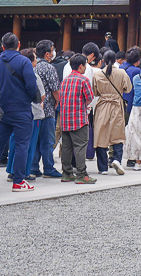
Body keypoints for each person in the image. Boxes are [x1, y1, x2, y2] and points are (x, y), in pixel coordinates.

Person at [0, 32, 38, 192]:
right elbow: (31, 85)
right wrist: (29, 97)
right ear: (19, 44)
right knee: (22, 144)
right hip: (21, 108)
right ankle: (18, 181)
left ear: (2, 47)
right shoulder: (24, 62)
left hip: (3, 109)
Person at [6, 49, 44, 182]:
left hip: (14, 111)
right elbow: (41, 96)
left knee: (14, 142)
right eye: (34, 59)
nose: (36, 61)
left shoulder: (12, 73)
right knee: (29, 144)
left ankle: (11, 170)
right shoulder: (34, 76)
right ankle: (25, 171)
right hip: (32, 113)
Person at [58, 53, 96, 184]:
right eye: (85, 64)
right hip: (79, 118)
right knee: (80, 146)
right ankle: (81, 174)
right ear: (81, 66)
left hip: (65, 118)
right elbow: (90, 98)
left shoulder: (65, 80)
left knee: (66, 147)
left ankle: (67, 173)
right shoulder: (83, 80)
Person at [92, 51, 131, 175]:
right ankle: (116, 159)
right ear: (115, 60)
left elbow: (95, 92)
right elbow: (128, 88)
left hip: (102, 106)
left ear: (102, 60)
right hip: (116, 105)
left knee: (100, 135)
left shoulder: (98, 74)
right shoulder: (122, 73)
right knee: (117, 134)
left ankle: (102, 167)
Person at [30, 40, 62, 179]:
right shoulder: (49, 68)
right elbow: (55, 89)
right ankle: (48, 167)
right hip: (48, 109)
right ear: (48, 54)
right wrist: (57, 101)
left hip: (33, 109)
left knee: (35, 140)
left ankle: (33, 167)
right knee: (47, 140)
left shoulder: (31, 66)